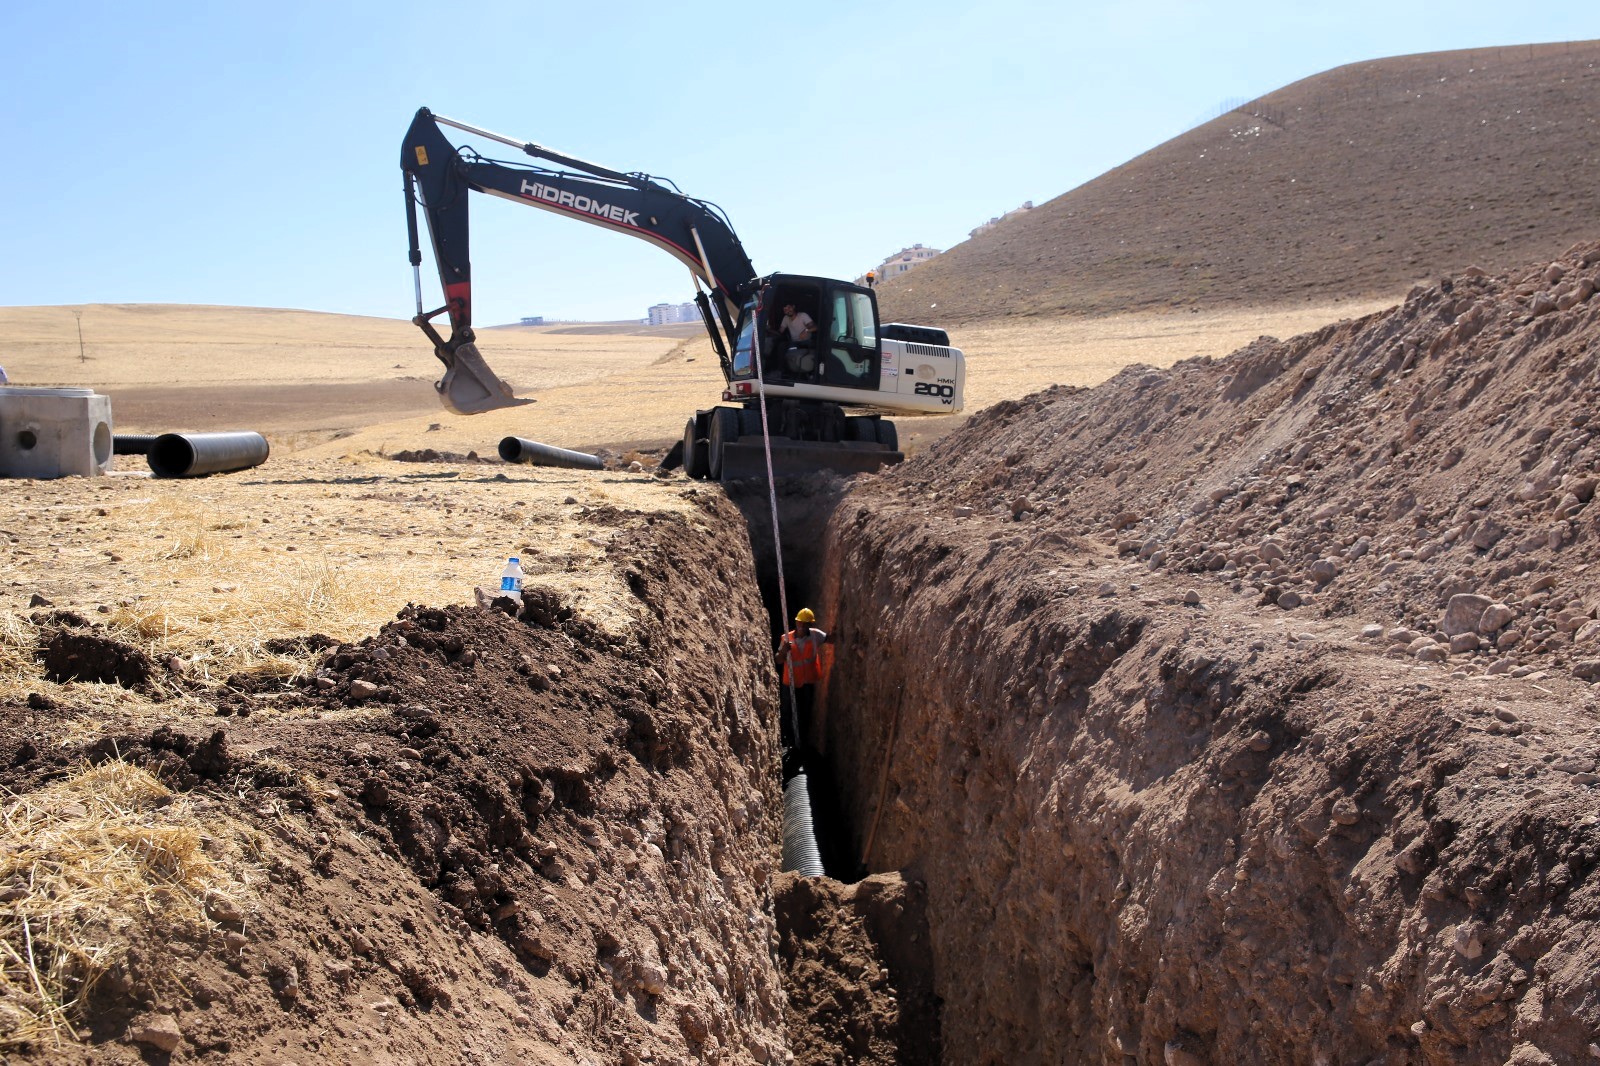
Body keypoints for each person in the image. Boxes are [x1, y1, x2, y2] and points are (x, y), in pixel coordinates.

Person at [777, 607, 834, 752]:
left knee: (805, 713)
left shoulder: (815, 635)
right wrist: (783, 651)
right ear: (796, 622)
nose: (802, 626)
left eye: (805, 623)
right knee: (787, 712)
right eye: (800, 622)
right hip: (790, 683)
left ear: (810, 624)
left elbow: (830, 638)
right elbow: (778, 660)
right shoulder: (786, 638)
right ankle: (786, 742)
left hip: (807, 683)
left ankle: (801, 743)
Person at [772, 303, 817, 376]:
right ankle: (781, 371)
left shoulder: (803, 315)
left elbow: (815, 327)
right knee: (781, 346)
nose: (788, 310)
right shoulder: (786, 318)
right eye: (785, 309)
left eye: (789, 308)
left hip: (807, 342)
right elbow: (780, 332)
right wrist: (769, 331)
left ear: (793, 307)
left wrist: (806, 330)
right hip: (794, 343)